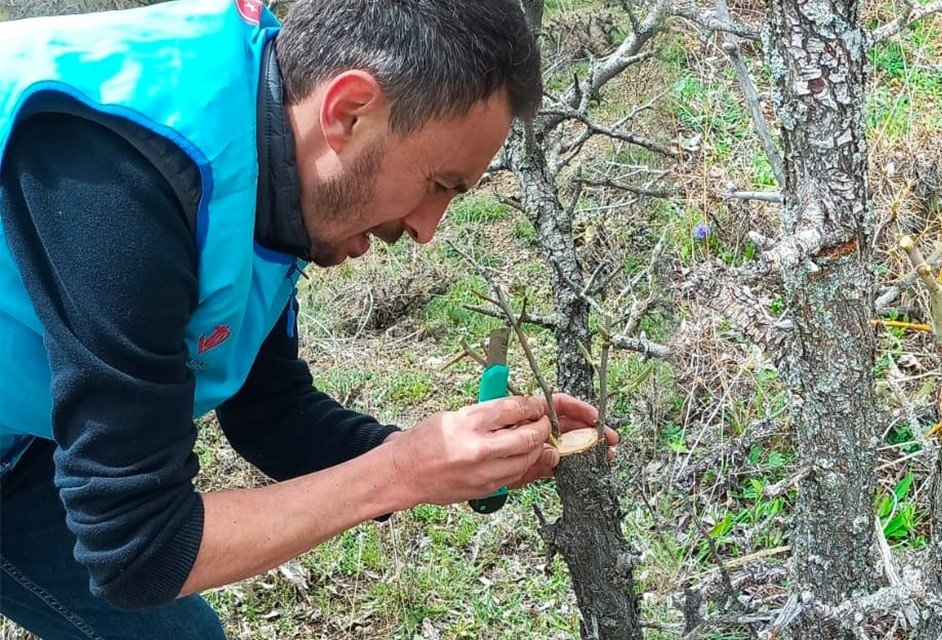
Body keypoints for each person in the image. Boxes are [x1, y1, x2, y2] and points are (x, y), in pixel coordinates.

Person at [0, 0, 619, 637]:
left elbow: (269, 411)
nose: (427, 229)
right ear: (348, 111)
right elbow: (138, 552)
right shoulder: (124, 175)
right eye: (439, 183)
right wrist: (401, 473)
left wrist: (441, 460)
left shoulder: (268, 143)